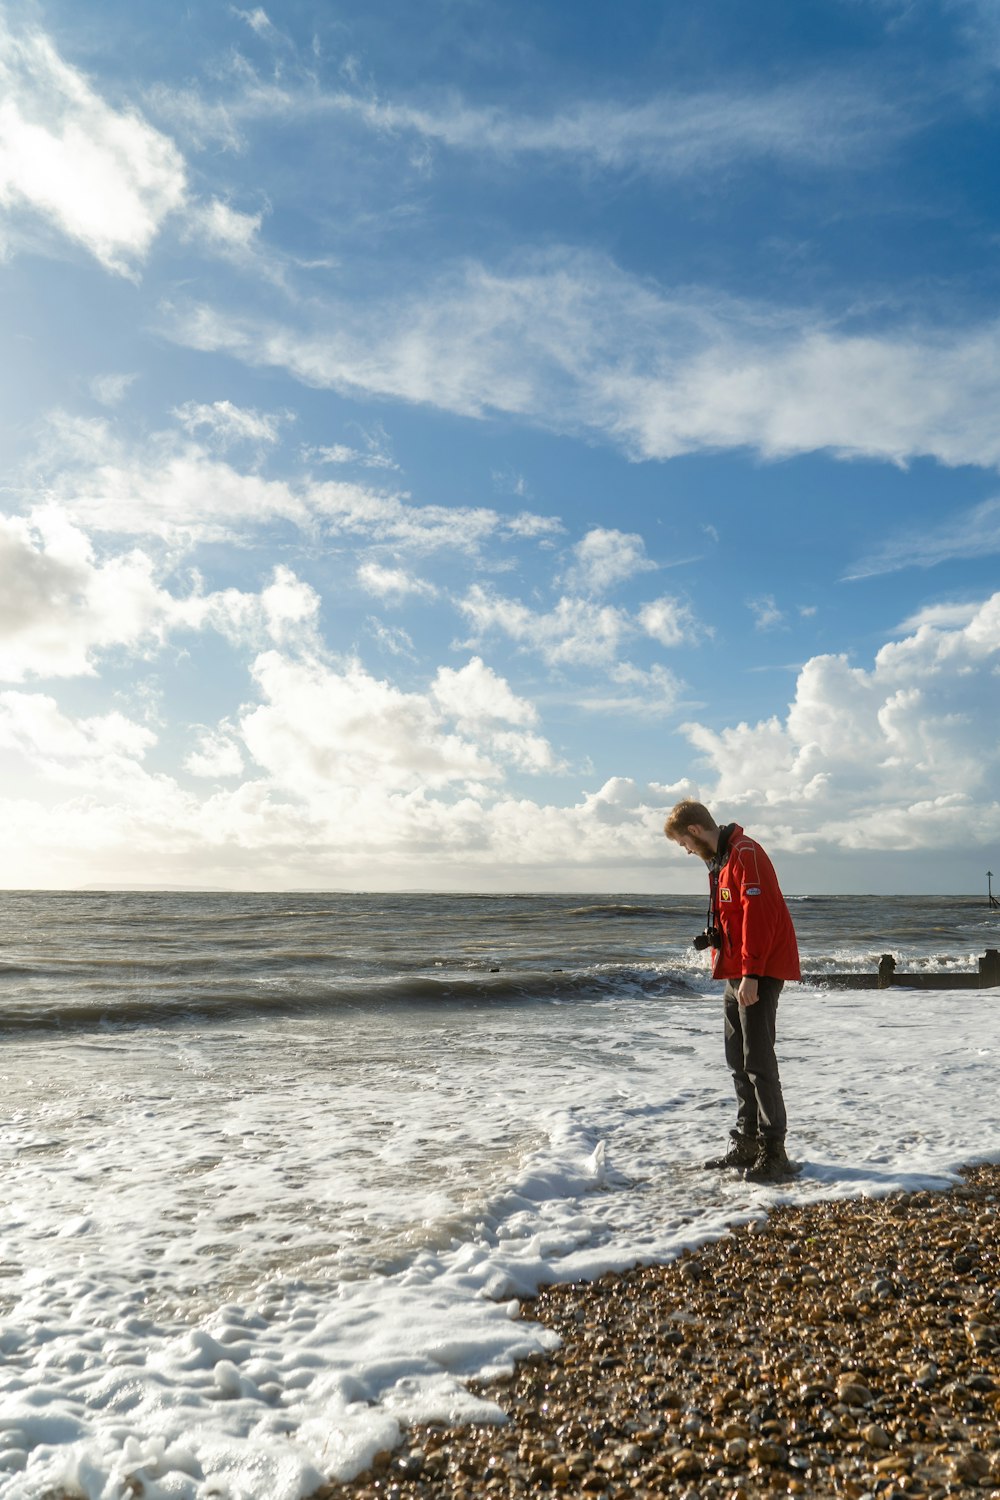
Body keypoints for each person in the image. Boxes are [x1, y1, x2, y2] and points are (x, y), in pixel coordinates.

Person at [664, 800, 800, 1184]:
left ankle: (776, 1153)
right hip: (737, 968)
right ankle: (747, 1143)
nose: (686, 852)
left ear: (694, 831)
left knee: (758, 1062)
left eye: (683, 844)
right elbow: (735, 915)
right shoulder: (722, 860)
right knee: (737, 1061)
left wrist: (753, 974)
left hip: (758, 969)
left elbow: (760, 916)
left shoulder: (746, 853)